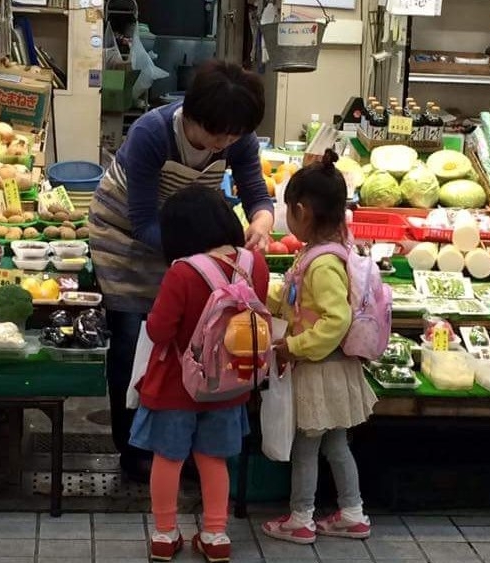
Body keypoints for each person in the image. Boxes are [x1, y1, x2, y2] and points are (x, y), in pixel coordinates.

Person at [88, 59, 274, 481]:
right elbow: (143, 222)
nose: (222, 143)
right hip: (126, 238)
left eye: (233, 135)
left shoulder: (236, 137)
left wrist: (262, 220)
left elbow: (256, 194)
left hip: (191, 245)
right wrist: (203, 261)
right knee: (134, 341)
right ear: (190, 115)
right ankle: (133, 448)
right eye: (214, 134)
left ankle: (184, 445)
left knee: (195, 340)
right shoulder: (152, 133)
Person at [129, 184, 270, 562]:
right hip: (230, 382)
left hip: (178, 384)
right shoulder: (255, 264)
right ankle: (215, 535)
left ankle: (163, 534)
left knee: (169, 458)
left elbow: (159, 330)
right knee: (213, 458)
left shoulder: (183, 272)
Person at [261, 150, 378, 544]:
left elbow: (335, 318)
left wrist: (295, 346)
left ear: (301, 212)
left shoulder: (322, 262)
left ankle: (301, 518)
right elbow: (302, 302)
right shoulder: (323, 253)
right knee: (336, 445)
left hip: (320, 367)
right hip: (334, 367)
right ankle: (352, 512)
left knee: (308, 447)